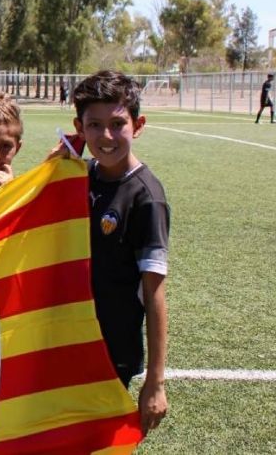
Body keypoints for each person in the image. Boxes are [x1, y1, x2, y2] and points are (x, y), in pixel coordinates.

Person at [68, 70, 169, 435]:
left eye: (117, 124)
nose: (106, 136)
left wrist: (155, 382)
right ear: (79, 127)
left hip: (113, 347)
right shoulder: (82, 175)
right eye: (94, 125)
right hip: (70, 334)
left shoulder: (146, 196)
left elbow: (154, 291)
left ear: (137, 124)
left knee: (95, 437)